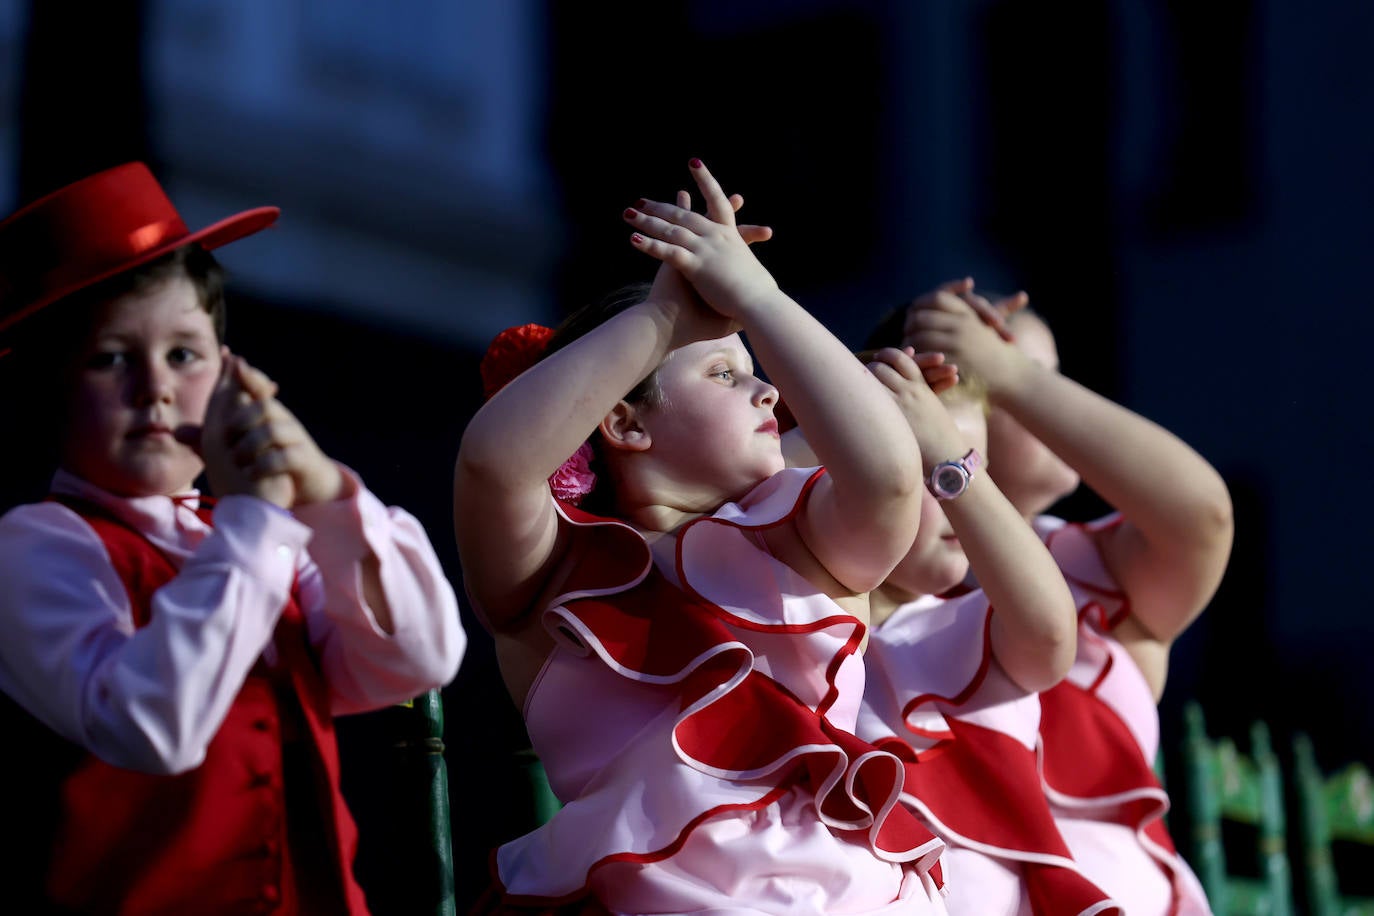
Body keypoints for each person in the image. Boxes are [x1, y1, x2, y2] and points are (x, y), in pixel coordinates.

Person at [454, 160, 956, 913]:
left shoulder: (803, 541)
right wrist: (664, 320)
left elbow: (887, 477)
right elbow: (495, 466)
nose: (768, 390)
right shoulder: (551, 570)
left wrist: (757, 296)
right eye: (724, 373)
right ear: (623, 422)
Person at [0, 161, 467, 915]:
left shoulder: (256, 533)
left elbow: (413, 660)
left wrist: (325, 493)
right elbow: (153, 726)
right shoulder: (35, 545)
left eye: (183, 354)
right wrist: (256, 519)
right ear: (49, 392)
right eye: (111, 358)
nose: (153, 386)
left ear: (228, 371)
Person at [904, 278, 1231, 915]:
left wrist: (1009, 372)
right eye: (997, 374)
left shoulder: (1096, 567)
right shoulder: (873, 578)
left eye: (1049, 378)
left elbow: (1203, 517)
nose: (1055, 401)